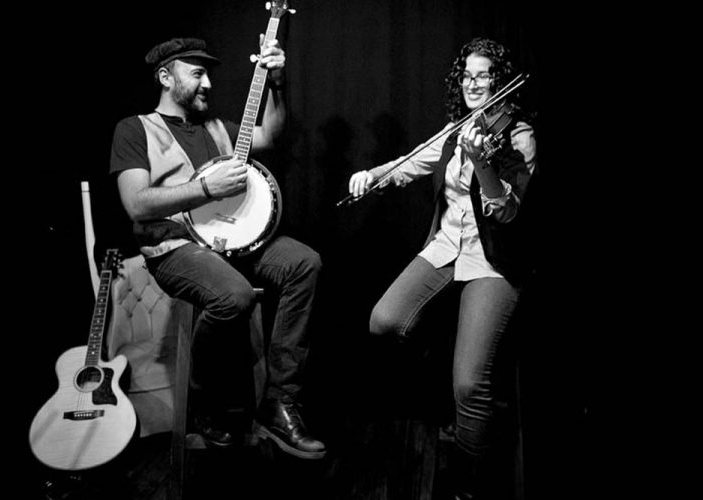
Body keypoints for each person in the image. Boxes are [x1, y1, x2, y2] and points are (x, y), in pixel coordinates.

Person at [109, 36, 326, 460]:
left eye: (209, 73)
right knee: (235, 295)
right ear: (165, 77)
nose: (208, 83)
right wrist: (205, 188)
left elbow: (272, 135)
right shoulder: (134, 129)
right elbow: (136, 204)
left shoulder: (219, 128)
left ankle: (279, 402)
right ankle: (204, 401)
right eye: (197, 73)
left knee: (305, 262)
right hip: (173, 248)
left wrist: (278, 83)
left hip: (234, 242)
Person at [347, 37, 537, 498]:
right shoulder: (457, 129)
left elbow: (508, 213)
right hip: (446, 246)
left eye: (484, 75)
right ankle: (451, 353)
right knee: (383, 320)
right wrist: (373, 177)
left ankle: (469, 481)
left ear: (499, 80)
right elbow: (412, 162)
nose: (474, 84)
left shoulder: (519, 136)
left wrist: (482, 162)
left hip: (493, 260)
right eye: (467, 75)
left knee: (471, 385)